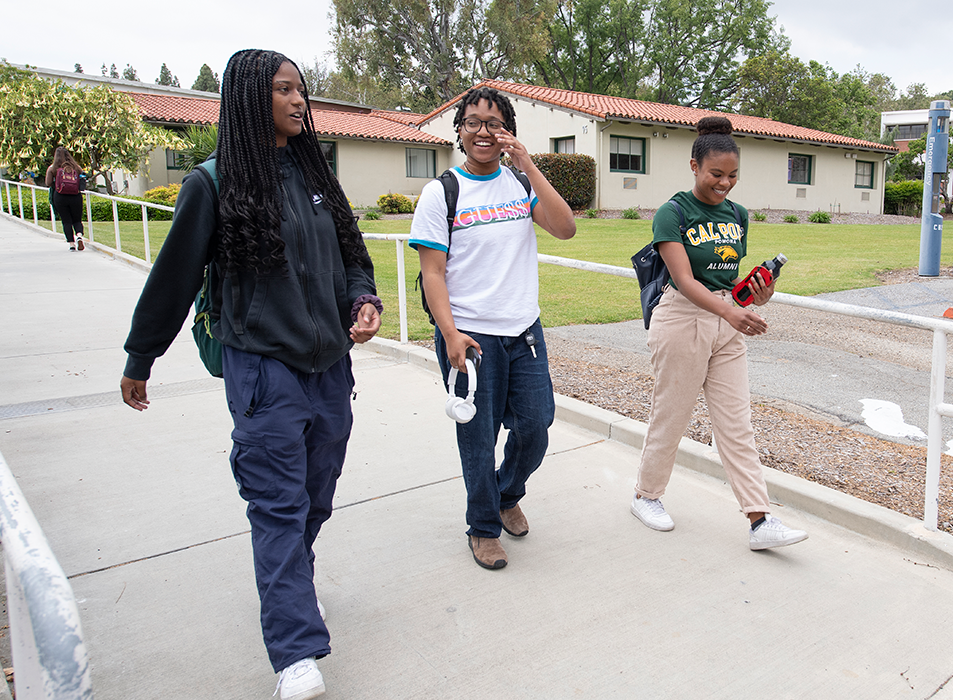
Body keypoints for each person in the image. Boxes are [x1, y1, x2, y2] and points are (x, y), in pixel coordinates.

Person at [120, 49, 382, 700]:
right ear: (247, 99)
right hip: (262, 368)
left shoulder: (317, 174)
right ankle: (294, 653)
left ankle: (291, 574)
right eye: (283, 90)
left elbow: (353, 257)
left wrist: (363, 301)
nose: (299, 101)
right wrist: (140, 357)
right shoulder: (212, 185)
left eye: (302, 90)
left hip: (328, 368)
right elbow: (173, 279)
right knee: (278, 504)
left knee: (314, 497)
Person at [411, 86, 576, 570]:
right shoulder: (441, 192)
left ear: (508, 133)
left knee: (536, 425)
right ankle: (483, 527)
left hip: (524, 330)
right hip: (471, 338)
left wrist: (529, 166)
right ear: (459, 131)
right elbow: (433, 273)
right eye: (473, 122)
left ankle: (506, 493)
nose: (483, 131)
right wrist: (449, 333)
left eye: (494, 123)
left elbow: (565, 227)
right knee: (478, 437)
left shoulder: (520, 185)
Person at [630, 116, 808, 552]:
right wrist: (729, 312)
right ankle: (646, 496)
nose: (724, 184)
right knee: (671, 415)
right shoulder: (673, 213)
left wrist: (760, 293)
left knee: (737, 424)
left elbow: (729, 280)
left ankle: (759, 519)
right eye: (716, 174)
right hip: (682, 318)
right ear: (694, 166)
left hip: (725, 320)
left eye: (732, 176)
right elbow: (685, 279)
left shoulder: (737, 215)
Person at [44, 147, 85, 251]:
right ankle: (79, 236)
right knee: (77, 220)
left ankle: (71, 244)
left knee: (66, 221)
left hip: (60, 197)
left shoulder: (52, 168)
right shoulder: (76, 167)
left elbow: (48, 183)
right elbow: (82, 179)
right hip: (75, 196)